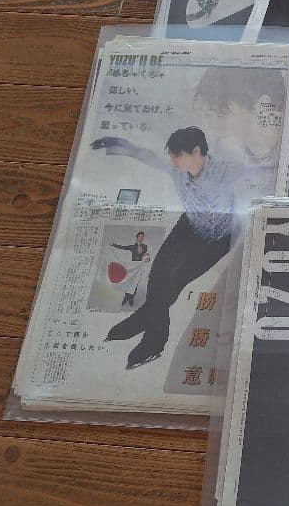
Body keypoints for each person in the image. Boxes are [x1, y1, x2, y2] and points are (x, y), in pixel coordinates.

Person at [90, 127, 238, 370]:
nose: (172, 161)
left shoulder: (225, 172)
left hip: (219, 240)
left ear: (196, 152)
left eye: (177, 155)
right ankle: (147, 324)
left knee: (175, 281)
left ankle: (152, 342)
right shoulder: (177, 171)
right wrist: (118, 143)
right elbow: (147, 155)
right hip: (189, 226)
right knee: (158, 277)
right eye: (171, 156)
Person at [110, 231, 150, 307]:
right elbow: (122, 247)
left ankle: (131, 299)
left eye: (142, 237)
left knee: (135, 283)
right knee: (129, 283)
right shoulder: (132, 247)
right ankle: (126, 298)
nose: (141, 238)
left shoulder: (145, 246)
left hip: (139, 268)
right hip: (132, 267)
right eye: (140, 236)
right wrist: (113, 245)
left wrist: (147, 259)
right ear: (137, 238)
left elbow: (146, 255)